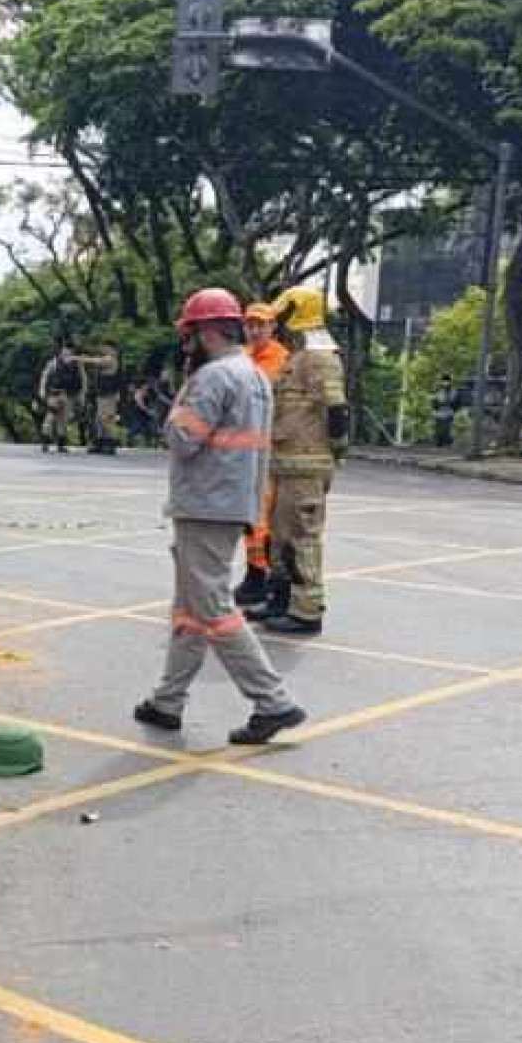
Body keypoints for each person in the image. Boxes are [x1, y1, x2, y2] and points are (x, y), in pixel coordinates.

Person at [133, 288, 307, 745]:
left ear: (205, 332)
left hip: (206, 503)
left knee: (211, 606)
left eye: (189, 334)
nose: (186, 344)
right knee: (190, 607)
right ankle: (167, 701)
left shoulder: (213, 378)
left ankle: (273, 702)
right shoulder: (252, 373)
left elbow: (183, 439)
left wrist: (167, 410)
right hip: (229, 502)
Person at [261, 305, 349, 635]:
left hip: (307, 464)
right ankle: (281, 600)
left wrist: (337, 449)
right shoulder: (300, 356)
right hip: (288, 462)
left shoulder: (320, 356)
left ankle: (307, 611)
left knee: (302, 538)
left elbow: (337, 409)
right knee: (280, 538)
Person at [236, 300, 292, 609]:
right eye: (251, 324)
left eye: (262, 324)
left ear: (272, 327)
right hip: (245, 447)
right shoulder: (242, 357)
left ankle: (264, 576)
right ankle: (255, 572)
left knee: (265, 515)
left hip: (269, 447)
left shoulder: (280, 359)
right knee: (249, 514)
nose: (256, 329)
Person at [37, 347, 82, 453]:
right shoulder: (53, 363)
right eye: (65, 352)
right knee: (50, 417)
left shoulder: (76, 365)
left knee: (63, 420)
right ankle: (45, 443)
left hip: (68, 395)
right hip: (54, 393)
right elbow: (44, 376)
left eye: (69, 352)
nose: (67, 354)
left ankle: (61, 445)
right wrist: (42, 390)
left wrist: (80, 395)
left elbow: (81, 380)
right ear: (61, 353)